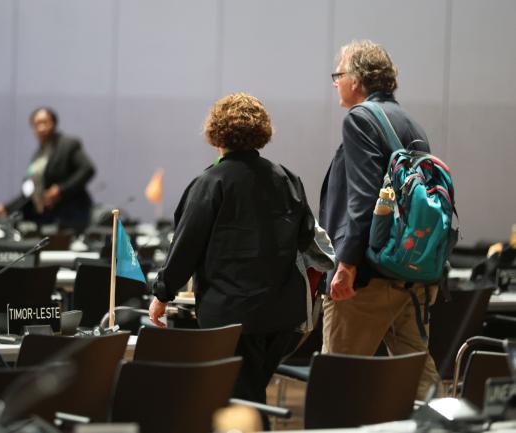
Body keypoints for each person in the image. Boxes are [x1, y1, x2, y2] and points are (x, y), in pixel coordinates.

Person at [149, 93, 315, 428]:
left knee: (240, 401)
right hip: (282, 315)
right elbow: (307, 238)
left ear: (217, 133)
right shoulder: (287, 179)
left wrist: (162, 293)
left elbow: (186, 246)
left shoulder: (210, 182)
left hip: (232, 316)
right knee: (251, 397)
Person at [320, 40, 440, 399]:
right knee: (419, 380)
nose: (334, 82)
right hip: (410, 273)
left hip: (367, 279)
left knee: (337, 382)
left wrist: (346, 264)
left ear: (357, 80)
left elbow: (365, 198)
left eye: (338, 74)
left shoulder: (360, 119)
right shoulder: (410, 123)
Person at [0, 107, 95, 232]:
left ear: (54, 123)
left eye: (45, 122)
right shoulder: (38, 155)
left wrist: (60, 190)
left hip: (71, 215)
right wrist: (7, 208)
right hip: (47, 217)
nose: (41, 128)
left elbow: (87, 169)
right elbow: (29, 191)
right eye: (37, 124)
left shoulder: (67, 145)